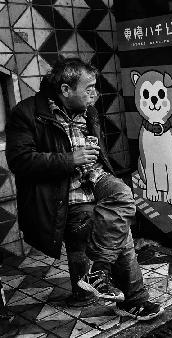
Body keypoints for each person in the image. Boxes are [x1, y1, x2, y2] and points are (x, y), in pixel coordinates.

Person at [5, 57, 162, 321]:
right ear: (66, 90)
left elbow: (94, 153)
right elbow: (18, 160)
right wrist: (71, 159)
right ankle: (130, 297)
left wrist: (91, 152)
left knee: (123, 197)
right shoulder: (27, 112)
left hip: (94, 178)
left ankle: (96, 276)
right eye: (88, 88)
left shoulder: (87, 111)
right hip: (62, 193)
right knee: (120, 234)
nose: (95, 94)